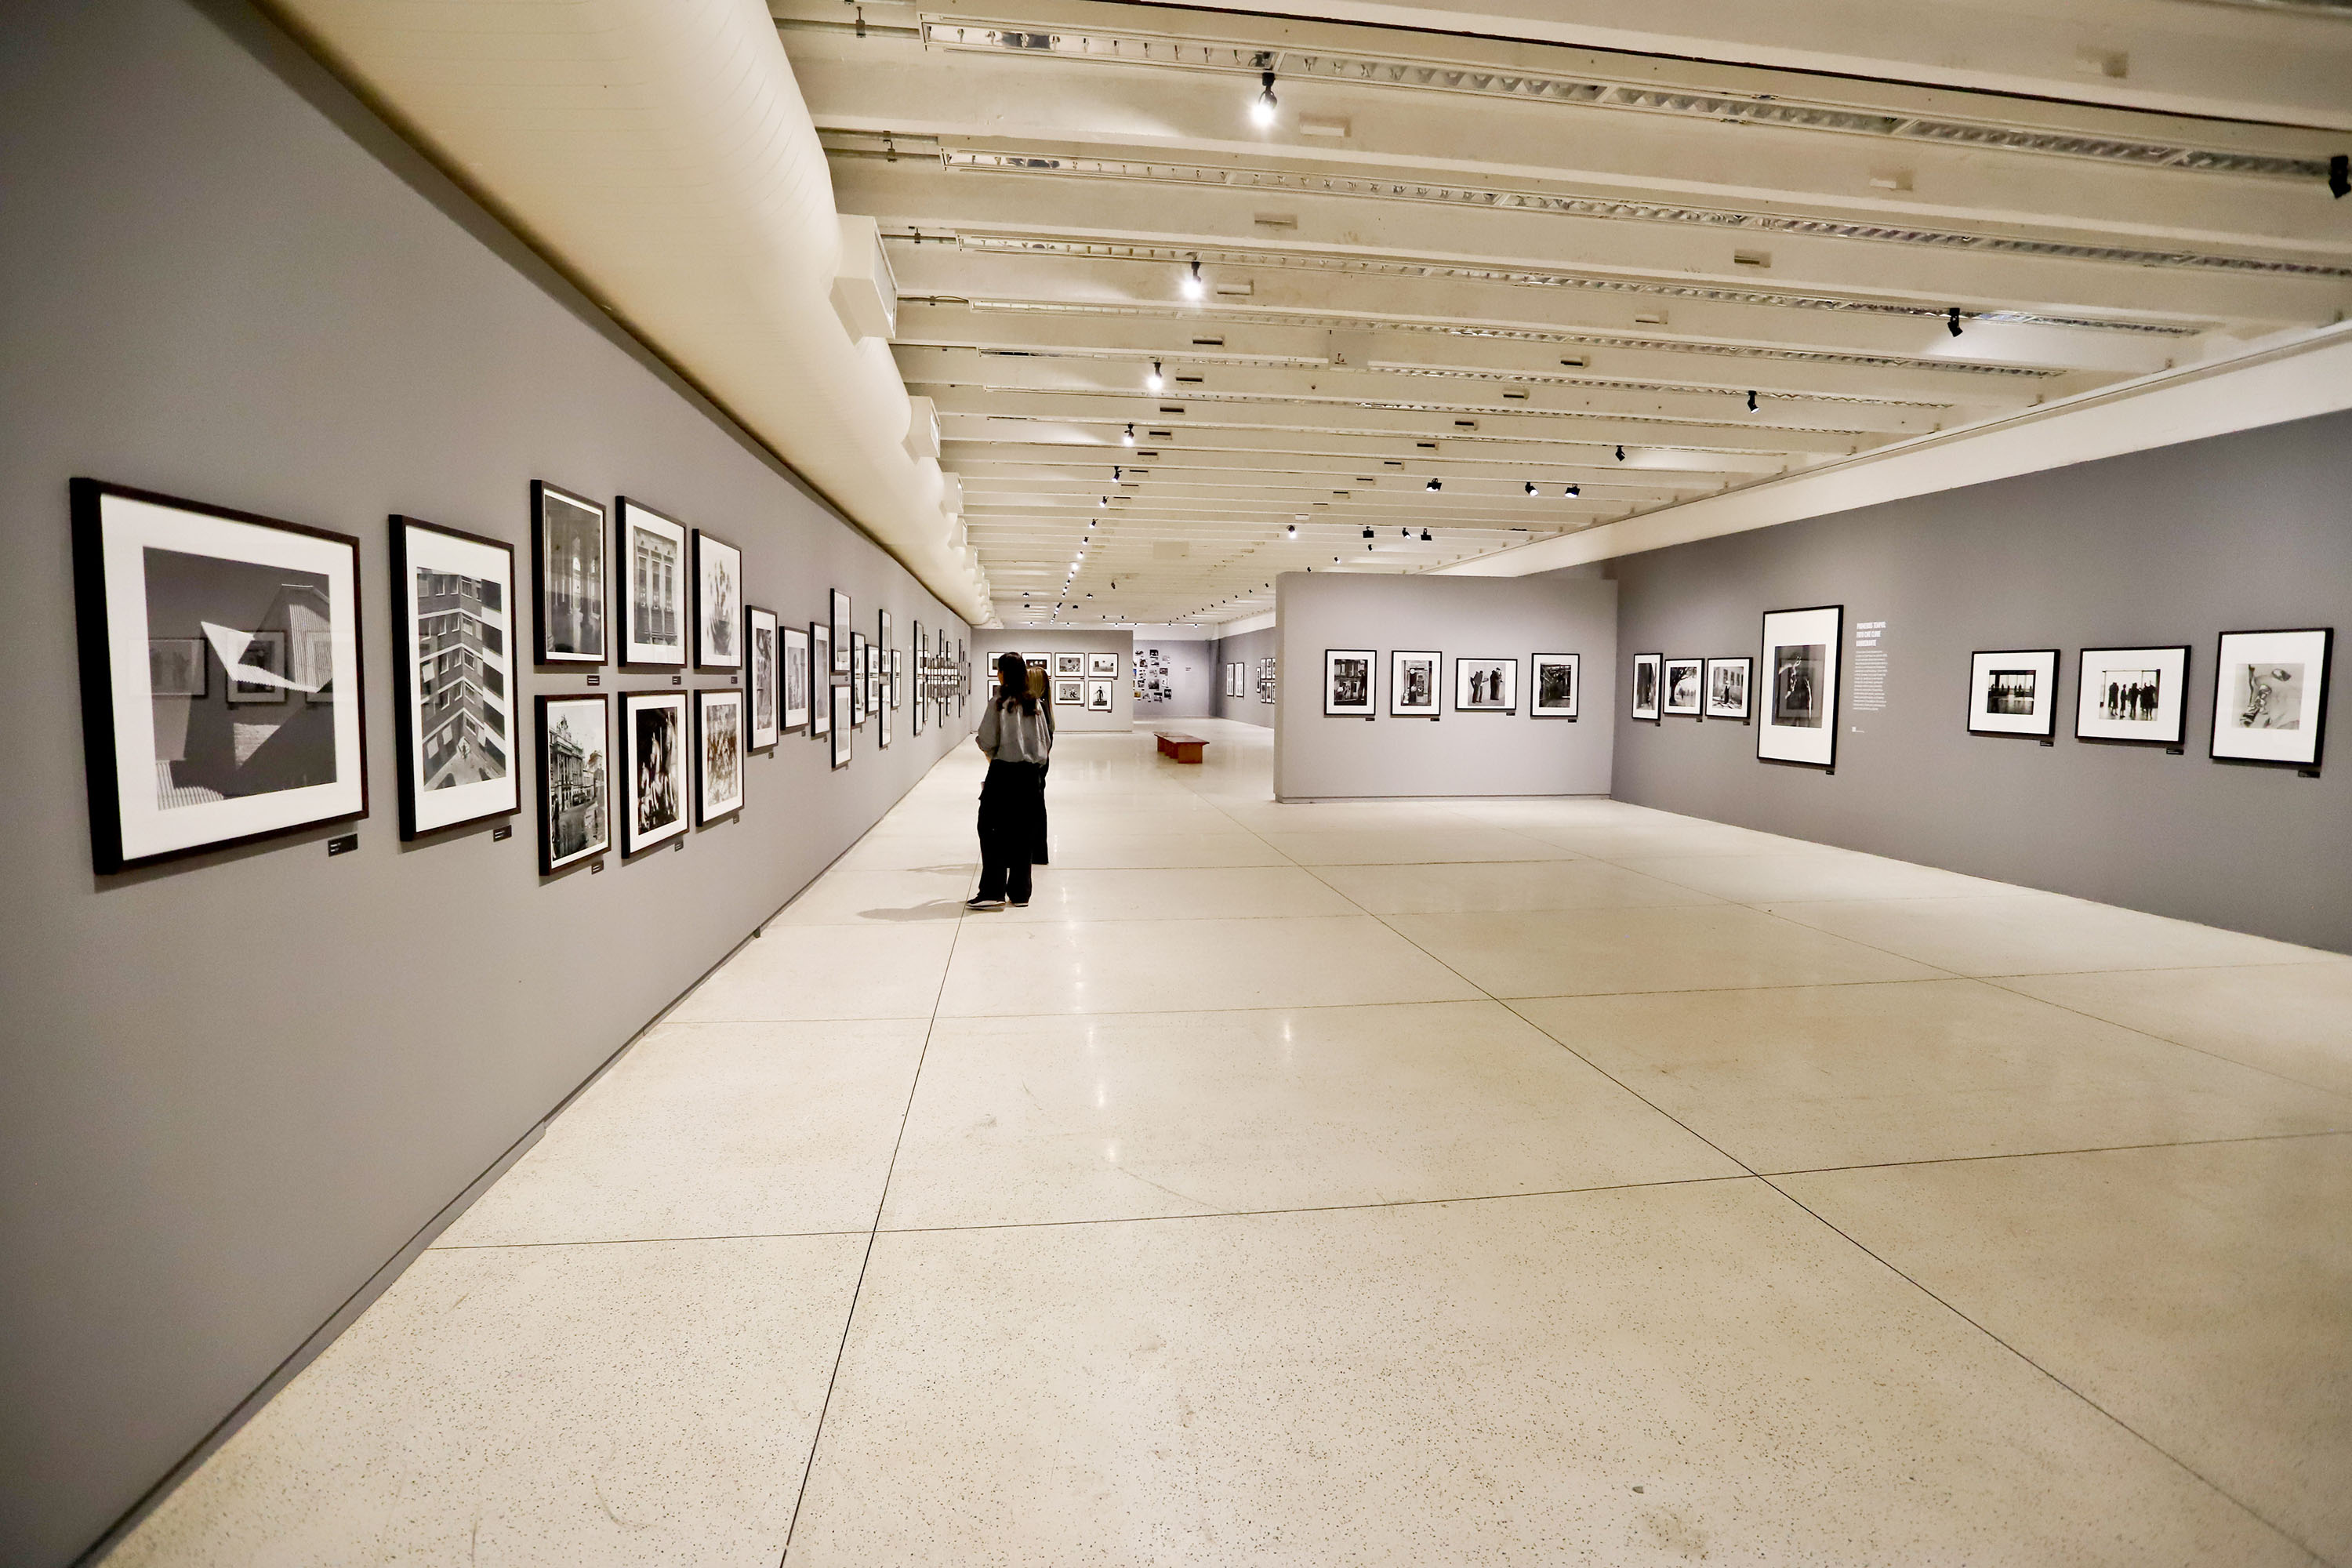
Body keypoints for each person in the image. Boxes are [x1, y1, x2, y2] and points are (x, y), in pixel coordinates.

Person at [969, 651, 1052, 909]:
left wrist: (992, 754)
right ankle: (1020, 893)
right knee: (1023, 833)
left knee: (990, 829)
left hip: (1004, 773)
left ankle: (993, 890)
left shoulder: (999, 702)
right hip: (1030, 776)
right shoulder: (1034, 704)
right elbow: (1045, 743)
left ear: (1003, 673)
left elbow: (987, 739)